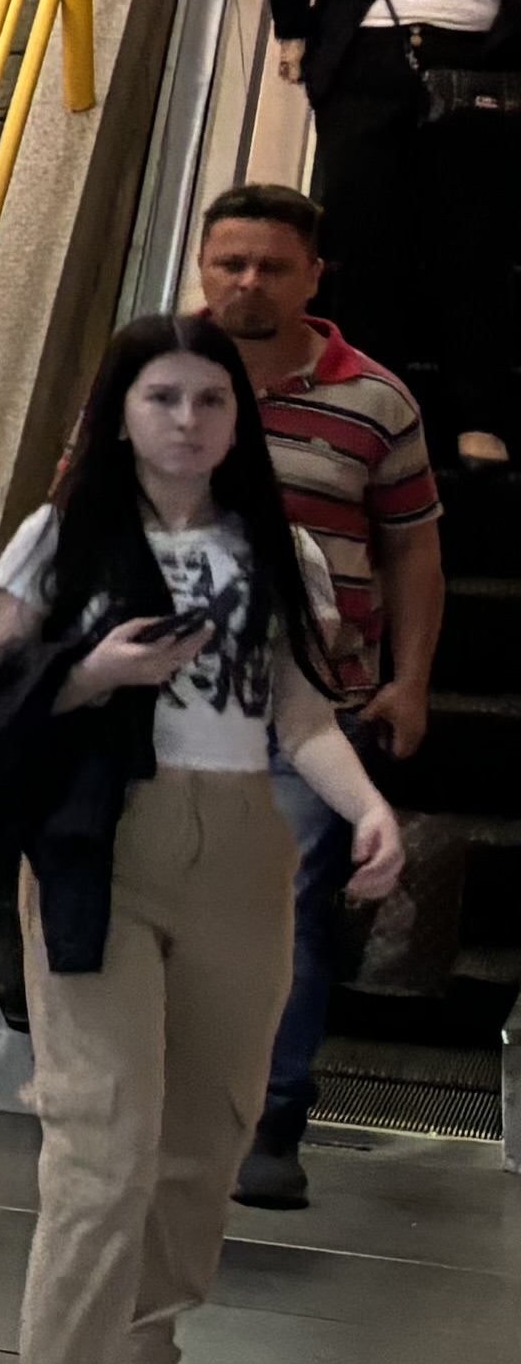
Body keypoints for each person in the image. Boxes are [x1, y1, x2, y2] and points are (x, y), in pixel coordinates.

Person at [0, 318, 405, 1364]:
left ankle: (140, 1343)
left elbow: (300, 718)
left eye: (211, 401)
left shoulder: (279, 550)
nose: (187, 421)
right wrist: (93, 671)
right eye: (162, 397)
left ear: (237, 419)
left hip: (243, 846)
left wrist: (366, 807)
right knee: (104, 1123)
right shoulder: (57, 541)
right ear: (120, 411)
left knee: (208, 1126)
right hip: (94, 847)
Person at [183, 186, 441, 1212]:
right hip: (165, 697)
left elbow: (413, 549)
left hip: (312, 702)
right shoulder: (156, 376)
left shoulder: (373, 398)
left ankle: (268, 1118)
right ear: (202, 266)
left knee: (284, 904)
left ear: (314, 276)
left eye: (271, 266)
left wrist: (412, 683)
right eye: (228, 262)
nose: (246, 283)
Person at [267, 0, 521, 478]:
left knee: (472, 248)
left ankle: (481, 419)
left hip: (477, 72)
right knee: (364, 245)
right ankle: (371, 417)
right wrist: (295, 31)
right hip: (367, 70)